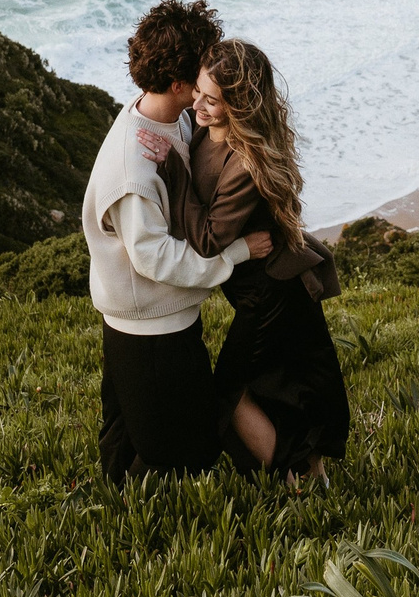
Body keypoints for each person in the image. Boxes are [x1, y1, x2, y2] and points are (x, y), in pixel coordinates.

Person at [82, 0, 269, 482]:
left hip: (161, 317)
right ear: (181, 85)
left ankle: (116, 501)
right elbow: (155, 259)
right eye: (203, 77)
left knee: (127, 444)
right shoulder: (133, 169)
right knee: (186, 455)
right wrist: (237, 252)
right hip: (147, 327)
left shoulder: (174, 116)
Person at [143, 38, 349, 478]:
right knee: (281, 388)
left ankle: (291, 481)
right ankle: (307, 476)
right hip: (263, 291)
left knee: (231, 393)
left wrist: (173, 172)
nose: (196, 104)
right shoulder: (204, 128)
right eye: (197, 90)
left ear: (239, 106)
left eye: (211, 100)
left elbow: (208, 237)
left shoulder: (245, 162)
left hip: (272, 295)